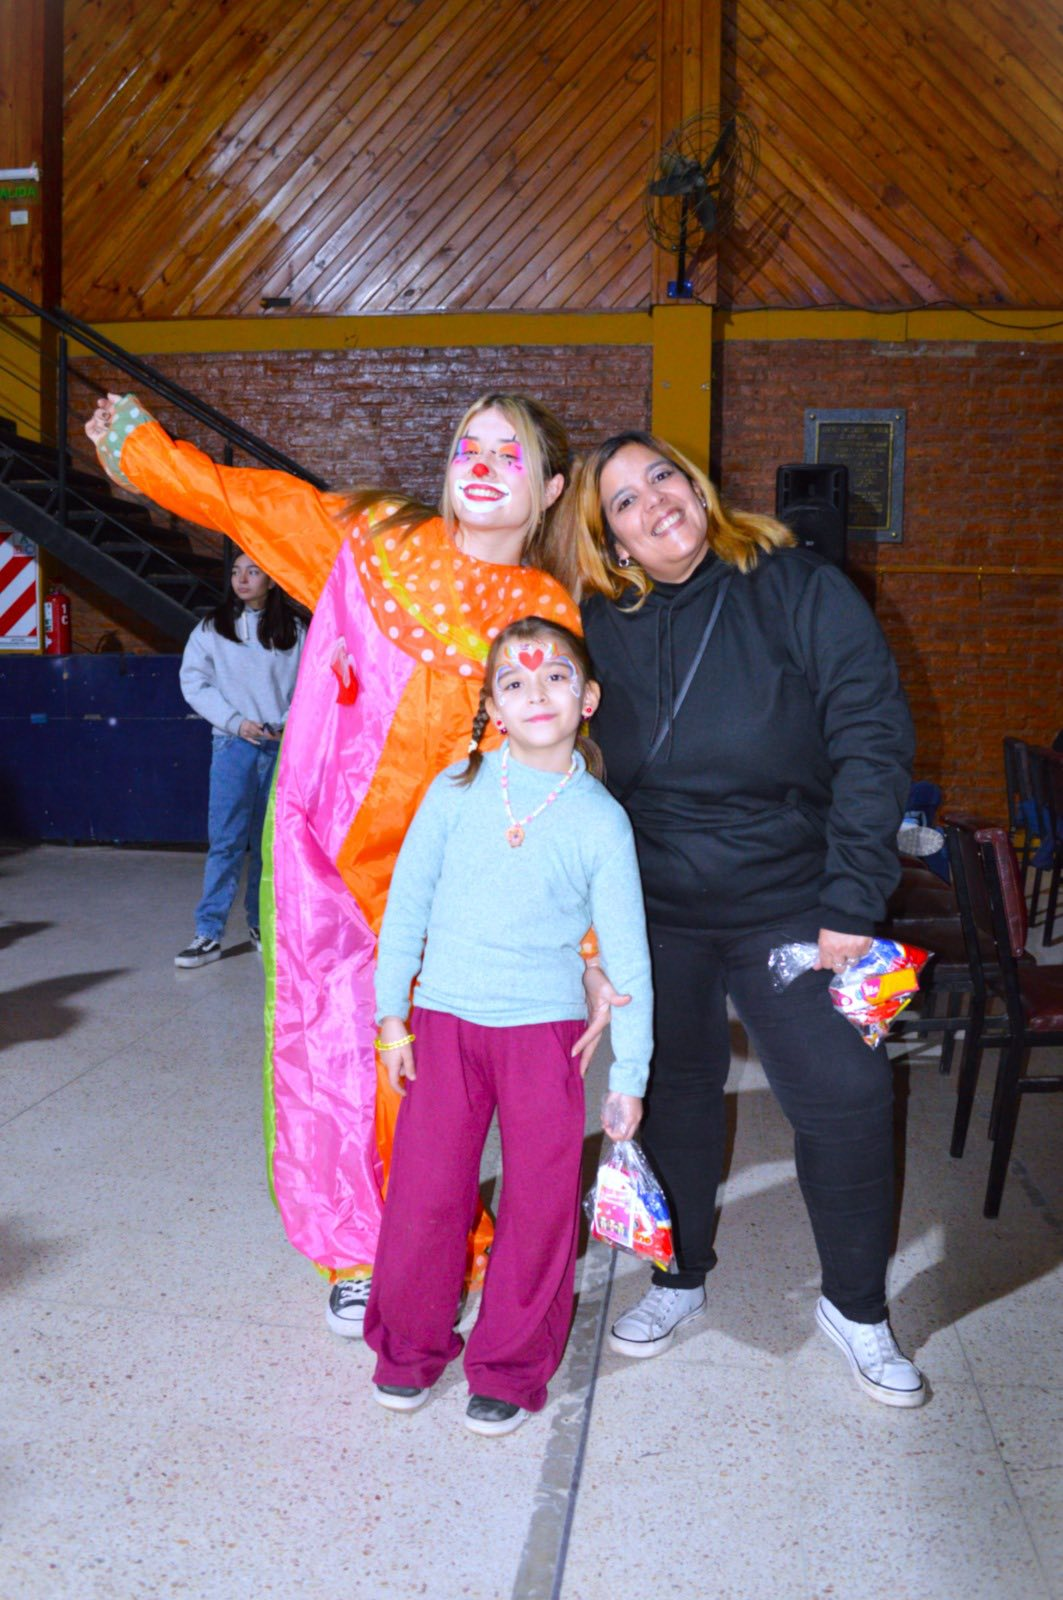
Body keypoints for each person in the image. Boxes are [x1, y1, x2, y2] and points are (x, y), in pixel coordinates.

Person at [85, 390, 607, 1337]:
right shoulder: (375, 543)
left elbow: (547, 769)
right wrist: (143, 454)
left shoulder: (544, 610)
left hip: (457, 888)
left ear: (549, 490)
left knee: (430, 1087)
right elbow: (251, 503)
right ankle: (357, 1250)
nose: (482, 464)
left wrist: (583, 937)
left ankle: (435, 1241)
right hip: (329, 865)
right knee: (333, 1060)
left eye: (510, 454)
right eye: (469, 445)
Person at [571, 430, 926, 1408]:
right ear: (612, 539)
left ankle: (855, 1307)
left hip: (791, 903)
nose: (653, 503)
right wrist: (591, 939)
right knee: (672, 1092)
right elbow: (561, 764)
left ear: (695, 485)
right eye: (624, 502)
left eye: (661, 477)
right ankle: (677, 1276)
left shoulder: (797, 587)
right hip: (655, 911)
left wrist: (852, 896)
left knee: (845, 1091)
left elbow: (870, 737)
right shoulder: (597, 620)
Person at [364, 617, 651, 1435]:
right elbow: (407, 907)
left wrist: (629, 1075)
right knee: (425, 1196)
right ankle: (409, 1346)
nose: (536, 693)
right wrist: (391, 1017)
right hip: (443, 1026)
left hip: (543, 1038)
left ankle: (510, 1363)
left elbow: (626, 958)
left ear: (587, 699)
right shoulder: (455, 790)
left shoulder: (600, 820)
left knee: (538, 1206)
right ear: (492, 706)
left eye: (555, 677)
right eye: (515, 682)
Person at [175, 552, 306, 968]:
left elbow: (310, 683)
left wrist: (285, 723)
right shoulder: (213, 627)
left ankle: (260, 924)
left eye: (253, 571)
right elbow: (193, 681)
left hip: (280, 748)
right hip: (234, 746)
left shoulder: (295, 629)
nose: (242, 579)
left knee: (269, 845)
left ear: (272, 578)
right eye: (236, 572)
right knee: (227, 842)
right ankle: (208, 933)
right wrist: (235, 722)